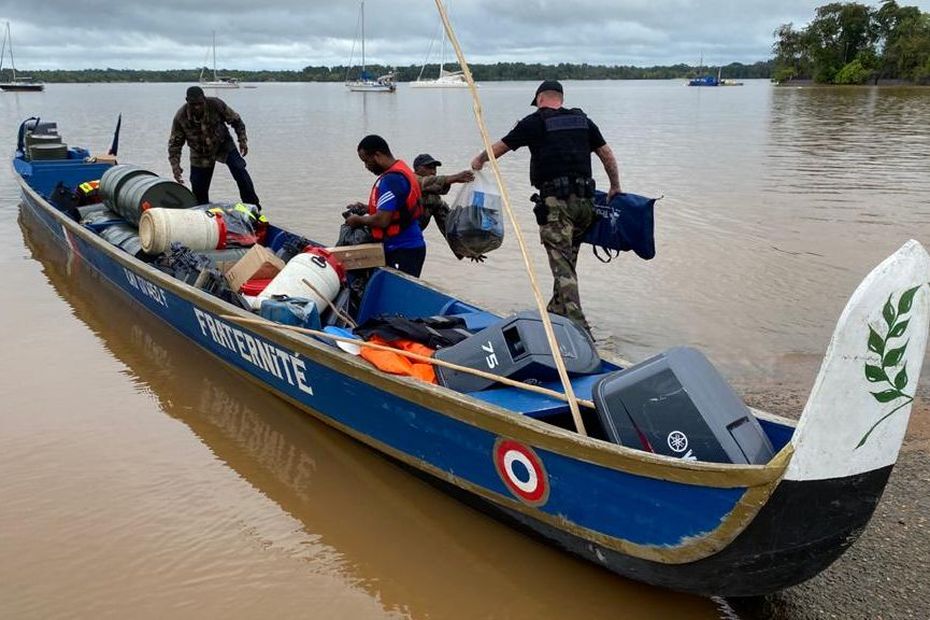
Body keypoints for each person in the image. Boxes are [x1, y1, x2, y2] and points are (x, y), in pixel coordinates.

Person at [470, 80, 621, 334]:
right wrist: (615, 186)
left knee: (563, 268)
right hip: (585, 205)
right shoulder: (583, 121)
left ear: (540, 99)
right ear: (560, 99)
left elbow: (502, 147)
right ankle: (555, 313)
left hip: (557, 207)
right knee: (567, 264)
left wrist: (479, 160)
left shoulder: (535, 122)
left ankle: (579, 329)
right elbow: (607, 154)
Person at [345, 135, 426, 277]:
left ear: (377, 155)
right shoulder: (399, 171)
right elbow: (396, 208)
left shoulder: (392, 179)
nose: (366, 166)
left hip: (403, 249)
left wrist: (357, 220)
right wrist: (366, 208)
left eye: (366, 161)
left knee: (399, 294)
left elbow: (382, 220)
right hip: (407, 247)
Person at [168, 86, 261, 208]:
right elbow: (175, 145)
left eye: (200, 103)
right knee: (198, 188)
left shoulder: (216, 105)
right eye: (193, 104)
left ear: (204, 99)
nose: (197, 107)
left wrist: (242, 140)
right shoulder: (180, 117)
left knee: (240, 170)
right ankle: (204, 215)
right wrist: (176, 167)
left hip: (223, 145)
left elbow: (236, 121)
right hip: (200, 154)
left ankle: (253, 208)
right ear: (187, 101)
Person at [412, 153, 481, 261]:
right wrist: (455, 178)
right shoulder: (409, 181)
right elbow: (423, 182)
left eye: (435, 168)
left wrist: (467, 249)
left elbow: (448, 225)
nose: (433, 171)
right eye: (429, 168)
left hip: (412, 241)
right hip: (391, 238)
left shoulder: (434, 199)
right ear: (417, 169)